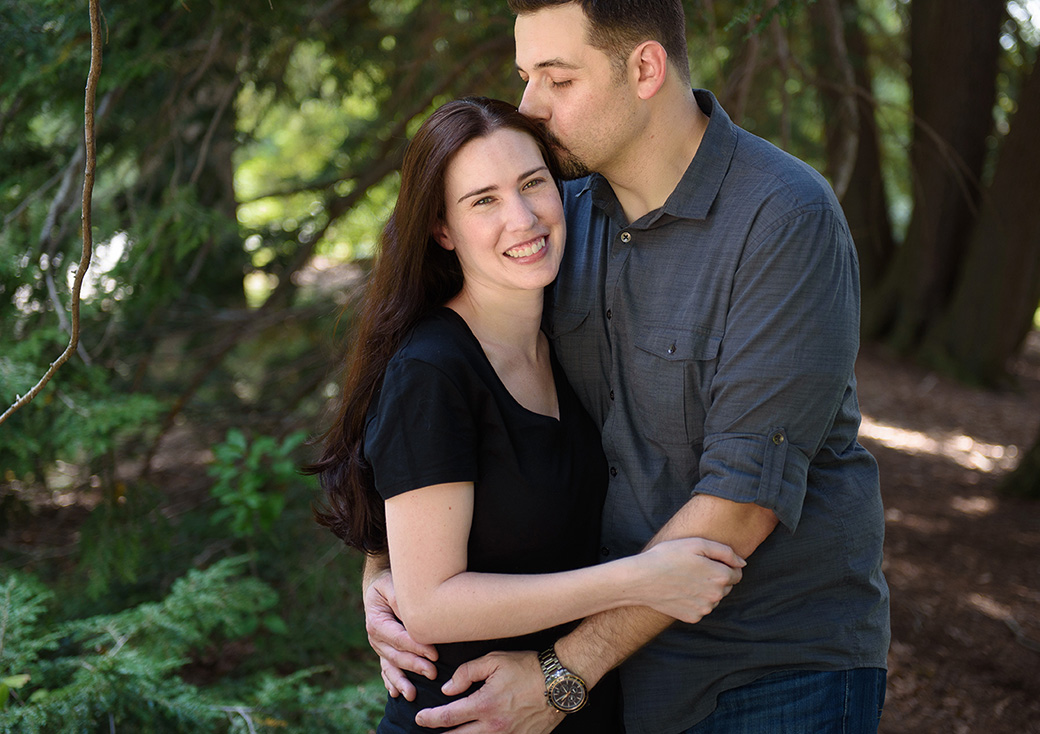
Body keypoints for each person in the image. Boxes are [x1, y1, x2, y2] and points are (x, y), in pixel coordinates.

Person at [365, 1, 892, 733]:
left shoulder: (782, 218)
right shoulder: (556, 220)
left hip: (766, 668)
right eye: (525, 77)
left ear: (643, 68)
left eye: (556, 79)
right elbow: (439, 408)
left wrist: (560, 676)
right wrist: (391, 576)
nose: (529, 108)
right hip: (613, 679)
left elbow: (743, 502)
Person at [308, 96, 745, 733]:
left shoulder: (563, 343)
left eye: (532, 183)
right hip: (468, 716)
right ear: (442, 230)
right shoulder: (433, 370)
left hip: (566, 711)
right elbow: (430, 604)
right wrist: (639, 580)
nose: (522, 217)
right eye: (483, 200)